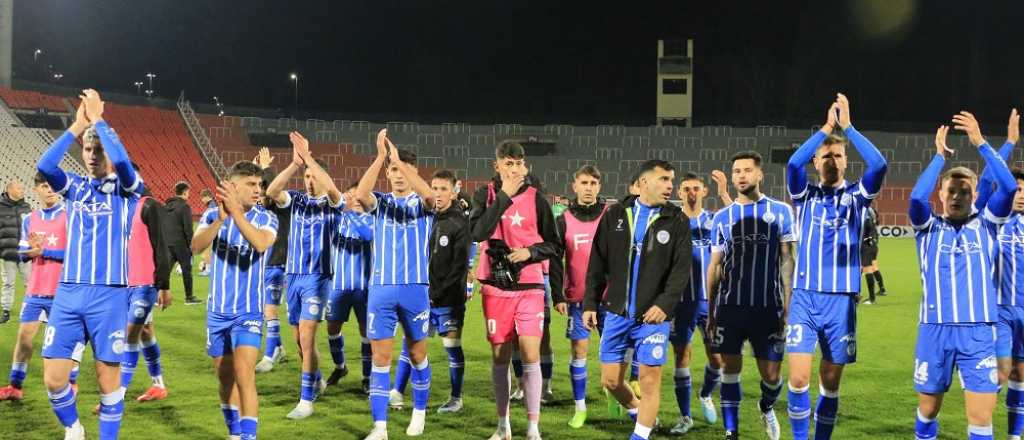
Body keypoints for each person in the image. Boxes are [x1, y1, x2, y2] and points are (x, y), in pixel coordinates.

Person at [37, 90, 143, 439]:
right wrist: (77, 126)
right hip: (68, 293)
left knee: (107, 381)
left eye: (98, 151)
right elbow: (45, 167)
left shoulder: (127, 189)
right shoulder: (74, 187)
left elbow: (125, 165)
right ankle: (75, 429)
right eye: (87, 149)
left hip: (109, 296)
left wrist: (99, 122)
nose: (93, 156)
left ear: (108, 154)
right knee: (53, 379)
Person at [783, 93, 887, 440]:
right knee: (798, 380)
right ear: (816, 161)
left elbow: (880, 166)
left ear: (846, 162)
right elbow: (791, 166)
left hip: (841, 302)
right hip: (805, 298)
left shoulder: (857, 197)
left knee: (829, 383)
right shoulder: (805, 196)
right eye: (825, 155)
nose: (831, 159)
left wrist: (849, 129)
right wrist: (826, 129)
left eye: (837, 154)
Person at [909, 115, 1014, 440]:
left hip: (979, 334)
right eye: (950, 191)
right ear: (940, 194)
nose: (956, 197)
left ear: (974, 196)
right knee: (928, 411)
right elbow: (915, 199)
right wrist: (940, 156)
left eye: (964, 191)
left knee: (982, 418)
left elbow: (1008, 186)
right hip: (934, 332)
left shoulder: (988, 224)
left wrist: (981, 143)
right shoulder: (927, 229)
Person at [583, 159, 691, 440]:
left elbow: (681, 272)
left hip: (653, 318)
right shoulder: (615, 214)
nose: (670, 186)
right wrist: (591, 303)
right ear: (644, 182)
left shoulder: (677, 220)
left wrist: (664, 306)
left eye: (671, 180)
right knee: (610, 381)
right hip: (617, 313)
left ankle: (640, 435)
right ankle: (638, 411)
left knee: (649, 381)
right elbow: (597, 262)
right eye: (664, 179)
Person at [470, 140, 560, 440]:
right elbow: (478, 232)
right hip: (496, 287)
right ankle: (503, 424)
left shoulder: (538, 198)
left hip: (530, 285)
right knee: (499, 356)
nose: (514, 168)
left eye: (518, 163)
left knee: (530, 352)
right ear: (497, 166)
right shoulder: (485, 194)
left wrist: (530, 253)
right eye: (507, 163)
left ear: (525, 166)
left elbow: (555, 245)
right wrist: (505, 196)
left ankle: (533, 426)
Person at [706, 151, 796, 440]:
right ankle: (731, 431)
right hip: (731, 308)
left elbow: (787, 261)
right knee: (730, 370)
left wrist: (788, 304)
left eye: (747, 170)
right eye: (736, 171)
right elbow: (715, 266)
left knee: (771, 376)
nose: (741, 175)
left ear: (760, 175)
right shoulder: (722, 217)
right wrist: (710, 311)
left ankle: (766, 406)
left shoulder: (780, 211)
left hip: (768, 308)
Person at [355, 129, 436, 439]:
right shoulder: (381, 203)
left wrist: (400, 161)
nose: (399, 175)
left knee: (417, 354)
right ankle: (380, 427)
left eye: (404, 170)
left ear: (414, 172)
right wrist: (381, 158)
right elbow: (361, 195)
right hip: (381, 289)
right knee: (380, 358)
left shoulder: (423, 204)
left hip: (415, 288)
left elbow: (430, 196)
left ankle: (419, 413)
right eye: (394, 171)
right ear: (388, 175)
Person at [192, 160, 279, 440]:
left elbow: (261, 244)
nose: (258, 189)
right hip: (217, 312)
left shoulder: (266, 218)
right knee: (224, 377)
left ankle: (249, 437)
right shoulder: (210, 215)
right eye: (251, 184)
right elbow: (195, 247)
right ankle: (234, 433)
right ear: (233, 186)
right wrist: (220, 218)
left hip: (248, 313)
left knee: (245, 375)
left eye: (259, 185)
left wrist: (236, 213)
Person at [265, 132, 341, 420]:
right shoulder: (295, 200)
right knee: (299, 341)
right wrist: (296, 164)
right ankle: (317, 378)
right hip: (292, 278)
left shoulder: (334, 204)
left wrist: (309, 158)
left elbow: (333, 191)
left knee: (308, 338)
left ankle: (306, 400)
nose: (310, 181)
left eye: (314, 176)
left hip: (318, 279)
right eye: (307, 176)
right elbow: (272, 192)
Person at [393, 169, 471, 414]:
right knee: (411, 344)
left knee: (451, 345)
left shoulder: (460, 223)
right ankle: (396, 392)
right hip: (422, 297)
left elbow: (458, 268)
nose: (437, 194)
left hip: (448, 299)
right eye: (434, 188)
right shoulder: (427, 217)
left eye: (443, 189)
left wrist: (435, 294)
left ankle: (456, 397)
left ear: (453, 191)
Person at [666, 171, 731, 434]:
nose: (692, 193)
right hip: (681, 304)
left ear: (704, 191)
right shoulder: (670, 223)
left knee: (717, 360)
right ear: (679, 193)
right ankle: (685, 416)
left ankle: (705, 394)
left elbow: (738, 218)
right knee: (682, 356)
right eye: (686, 189)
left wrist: (724, 192)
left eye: (696, 188)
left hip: (710, 303)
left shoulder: (714, 220)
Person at [549, 165, 606, 429]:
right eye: (584, 183)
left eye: (593, 183)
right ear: (575, 186)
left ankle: (615, 395)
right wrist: (558, 295)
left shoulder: (610, 215)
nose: (588, 188)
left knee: (614, 354)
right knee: (579, 351)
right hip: (578, 299)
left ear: (599, 186)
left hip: (609, 298)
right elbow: (556, 261)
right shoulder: (563, 220)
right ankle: (580, 407)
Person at [0, 174, 65, 401]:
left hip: (62, 293)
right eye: (45, 186)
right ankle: (15, 387)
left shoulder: (69, 218)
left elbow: (75, 256)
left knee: (62, 345)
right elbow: (22, 253)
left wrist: (44, 251)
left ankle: (71, 385)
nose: (50, 190)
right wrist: (30, 252)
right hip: (36, 291)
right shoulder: (30, 219)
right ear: (36, 189)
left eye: (53, 186)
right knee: (24, 339)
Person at [120, 170, 173, 404]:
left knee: (129, 333)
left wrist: (164, 285)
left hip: (145, 284)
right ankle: (158, 385)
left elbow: (162, 246)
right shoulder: (118, 207)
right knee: (145, 332)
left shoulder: (150, 205)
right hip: (122, 284)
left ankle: (116, 394)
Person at [324, 182, 373, 393]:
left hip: (363, 287)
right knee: (332, 329)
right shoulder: (339, 220)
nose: (354, 200)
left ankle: (367, 377)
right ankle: (340, 367)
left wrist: (350, 212)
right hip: (339, 286)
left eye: (357, 197)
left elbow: (367, 236)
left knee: (366, 333)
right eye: (351, 196)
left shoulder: (372, 220)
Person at [251, 147, 290, 374]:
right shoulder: (261, 209)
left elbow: (272, 190)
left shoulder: (280, 206)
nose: (259, 194)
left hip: (279, 263)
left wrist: (265, 169)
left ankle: (269, 354)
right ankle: (279, 347)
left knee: (269, 310)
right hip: (266, 263)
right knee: (267, 310)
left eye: (262, 189)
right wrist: (256, 171)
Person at [164, 180, 199, 305]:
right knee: (186, 271)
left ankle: (158, 296)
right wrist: (192, 244)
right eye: (188, 192)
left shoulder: (166, 206)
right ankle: (189, 297)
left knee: (165, 271)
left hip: (168, 244)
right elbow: (188, 228)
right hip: (182, 245)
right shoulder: (184, 206)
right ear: (185, 192)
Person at [0, 179, 31, 324]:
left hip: (25, 253)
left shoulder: (26, 206)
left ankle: (31, 310)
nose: (22, 191)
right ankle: (6, 311)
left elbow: (32, 228)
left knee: (30, 283)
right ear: (10, 190)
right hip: (8, 253)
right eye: (19, 188)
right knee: (8, 283)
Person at [860, 207, 881, 305]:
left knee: (867, 269)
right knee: (863, 269)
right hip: (871, 245)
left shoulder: (864, 219)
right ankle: (856, 295)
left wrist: (866, 243)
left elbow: (863, 234)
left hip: (866, 246)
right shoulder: (870, 218)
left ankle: (872, 299)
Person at [198, 188, 216, 277]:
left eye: (202, 197)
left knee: (207, 250)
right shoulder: (212, 205)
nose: (202, 200)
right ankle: (208, 267)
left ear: (207, 197)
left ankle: (208, 269)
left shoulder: (212, 206)